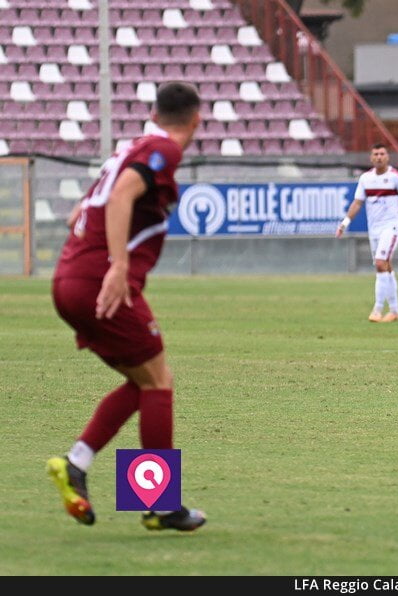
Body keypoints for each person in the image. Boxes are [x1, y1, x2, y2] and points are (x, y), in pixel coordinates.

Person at [48, 81, 206, 531]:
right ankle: (158, 504)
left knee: (144, 381)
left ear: (154, 113)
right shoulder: (164, 149)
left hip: (70, 281)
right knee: (158, 382)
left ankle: (76, 464)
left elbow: (92, 202)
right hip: (101, 282)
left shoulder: (132, 146)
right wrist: (118, 265)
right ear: (196, 118)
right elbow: (120, 196)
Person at [337, 143, 398, 322]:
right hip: (374, 229)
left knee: (380, 263)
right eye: (375, 154)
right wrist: (345, 222)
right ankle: (395, 311)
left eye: (382, 154)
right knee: (386, 266)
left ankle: (377, 310)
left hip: (391, 227)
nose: (378, 157)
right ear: (371, 157)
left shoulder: (397, 177)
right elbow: (357, 203)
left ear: (387, 157)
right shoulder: (365, 178)